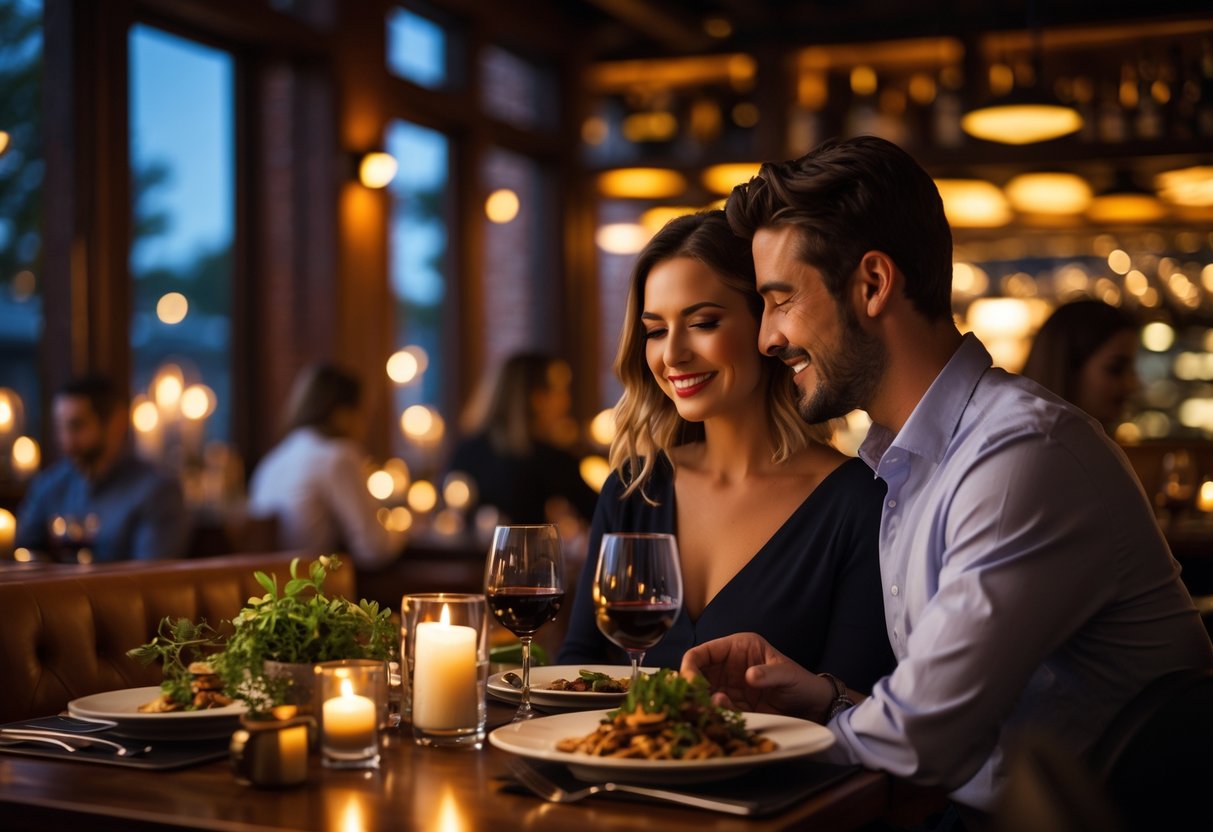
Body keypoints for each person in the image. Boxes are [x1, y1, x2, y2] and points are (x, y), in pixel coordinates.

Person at [679, 136, 1213, 821]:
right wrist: (823, 700)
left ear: (872, 284)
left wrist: (710, 743)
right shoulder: (913, 460)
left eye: (780, 300)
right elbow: (937, 722)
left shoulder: (1021, 454)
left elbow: (915, 746)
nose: (766, 338)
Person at [559, 211, 895, 692]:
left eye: (702, 322)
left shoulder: (857, 501)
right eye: (655, 330)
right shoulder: (634, 489)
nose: (672, 353)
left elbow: (857, 702)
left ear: (766, 325)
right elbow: (578, 664)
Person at [15, 374, 187, 562]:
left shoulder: (157, 491)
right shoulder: (50, 485)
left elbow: (149, 578)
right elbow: (23, 553)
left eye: (77, 426)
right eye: (60, 427)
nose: (65, 441)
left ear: (116, 423)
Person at [248, 363, 401, 569]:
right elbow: (374, 549)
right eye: (363, 414)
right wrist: (403, 527)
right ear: (343, 415)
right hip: (315, 592)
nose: (365, 426)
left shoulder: (273, 460)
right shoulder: (338, 456)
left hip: (272, 594)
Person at [445, 352, 599, 526]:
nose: (566, 401)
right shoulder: (550, 460)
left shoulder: (466, 451)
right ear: (536, 398)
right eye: (559, 391)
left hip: (466, 554)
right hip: (531, 553)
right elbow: (600, 514)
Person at [1020, 299, 1140, 433]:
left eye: (1132, 370)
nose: (1132, 385)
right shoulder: (1042, 448)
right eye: (1115, 369)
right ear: (1068, 370)